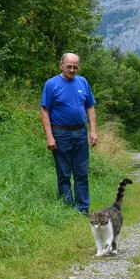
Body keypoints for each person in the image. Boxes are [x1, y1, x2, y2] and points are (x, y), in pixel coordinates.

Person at [40, 53, 99, 214]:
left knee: (82, 173)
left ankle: (83, 209)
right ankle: (67, 208)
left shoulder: (83, 82)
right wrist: (49, 136)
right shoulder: (51, 84)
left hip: (80, 132)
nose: (72, 70)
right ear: (61, 66)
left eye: (75, 67)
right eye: (69, 67)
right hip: (60, 133)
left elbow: (90, 107)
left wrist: (93, 131)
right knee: (64, 173)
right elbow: (44, 110)